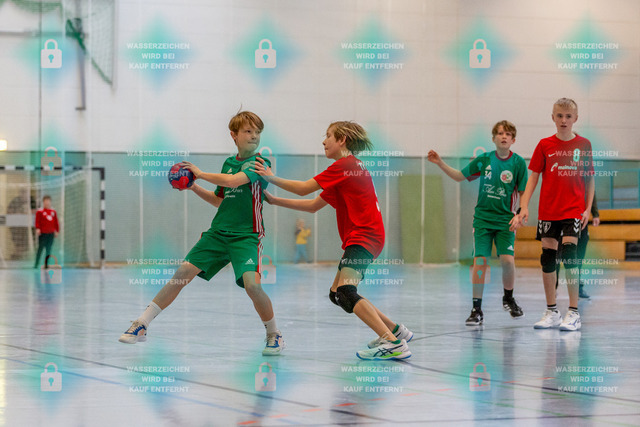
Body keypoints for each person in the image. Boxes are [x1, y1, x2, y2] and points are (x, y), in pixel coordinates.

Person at [119, 111, 285, 355]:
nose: (254, 136)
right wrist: (193, 186)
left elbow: (233, 182)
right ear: (234, 135)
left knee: (252, 286)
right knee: (181, 274)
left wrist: (201, 173)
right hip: (218, 233)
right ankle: (141, 323)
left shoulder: (261, 163)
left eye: (257, 132)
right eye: (248, 131)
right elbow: (219, 200)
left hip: (246, 235)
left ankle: (274, 334)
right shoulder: (228, 164)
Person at [252, 121, 413, 360]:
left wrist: (271, 177)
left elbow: (304, 188)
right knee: (337, 294)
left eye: (328, 136)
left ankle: (393, 343)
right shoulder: (349, 169)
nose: (323, 141)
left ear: (342, 140)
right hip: (365, 237)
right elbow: (313, 205)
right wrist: (275, 201)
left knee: (346, 291)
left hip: (364, 237)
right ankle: (395, 330)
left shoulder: (345, 165)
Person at [428, 120, 527, 326]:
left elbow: (524, 191)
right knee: (480, 262)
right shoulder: (484, 159)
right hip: (483, 220)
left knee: (508, 261)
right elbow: (459, 176)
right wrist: (440, 163)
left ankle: (508, 298)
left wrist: (520, 214)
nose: (504, 136)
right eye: (500, 133)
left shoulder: (518, 163)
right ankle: (476, 309)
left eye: (508, 134)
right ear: (493, 138)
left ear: (513, 140)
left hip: (505, 221)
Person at [513, 98, 595, 331]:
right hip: (549, 211)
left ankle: (574, 312)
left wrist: (587, 209)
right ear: (553, 117)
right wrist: (524, 206)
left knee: (569, 256)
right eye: (559, 116)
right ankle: (552, 311)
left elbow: (590, 179)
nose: (563, 120)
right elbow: (533, 177)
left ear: (575, 118)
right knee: (548, 258)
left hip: (573, 211)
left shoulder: (584, 145)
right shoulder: (544, 145)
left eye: (568, 116)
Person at [555, 197, 599, 299]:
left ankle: (577, 287)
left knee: (579, 255)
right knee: (557, 255)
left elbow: (591, 192)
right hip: (562, 217)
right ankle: (553, 287)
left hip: (580, 217)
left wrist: (595, 213)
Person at [34, 195, 60, 268]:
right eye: (46, 201)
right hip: (43, 234)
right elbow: (37, 221)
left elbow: (56, 222)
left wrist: (57, 230)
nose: (47, 203)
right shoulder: (40, 211)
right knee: (40, 249)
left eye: (48, 201)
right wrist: (38, 228)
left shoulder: (53, 211)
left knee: (48, 250)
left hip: (50, 234)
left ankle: (46, 264)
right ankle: (36, 264)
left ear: (50, 202)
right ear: (43, 202)